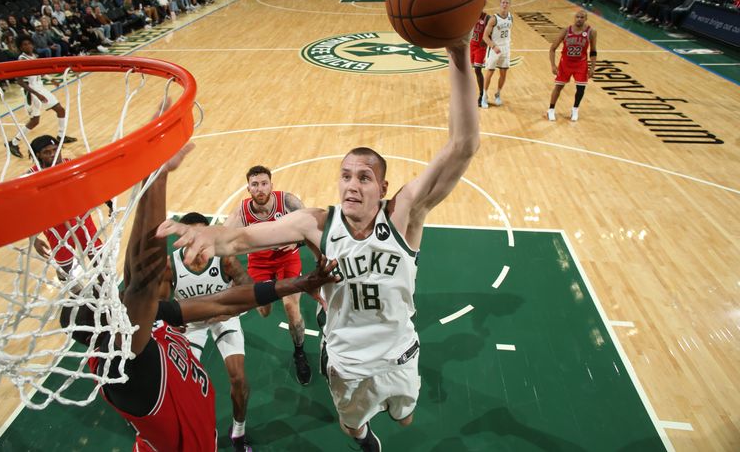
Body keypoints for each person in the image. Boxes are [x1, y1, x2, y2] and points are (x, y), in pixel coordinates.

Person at [158, 32, 480, 452]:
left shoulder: (404, 215)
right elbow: (242, 237)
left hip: (400, 354)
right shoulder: (316, 223)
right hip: (346, 361)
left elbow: (463, 144)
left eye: (364, 177)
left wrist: (459, 52)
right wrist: (208, 236)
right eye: (345, 175)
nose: (352, 184)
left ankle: (390, 411)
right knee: (352, 428)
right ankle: (365, 438)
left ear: (382, 187)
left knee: (406, 417)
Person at [62, 142, 339, 452]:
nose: (111, 292)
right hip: (186, 436)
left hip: (207, 362)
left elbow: (223, 303)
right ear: (105, 321)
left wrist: (298, 284)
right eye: (103, 297)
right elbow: (141, 280)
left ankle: (239, 432)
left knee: (238, 378)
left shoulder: (145, 321)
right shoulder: (123, 357)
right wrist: (155, 174)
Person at [169, 212, 254, 452]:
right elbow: (158, 304)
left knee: (238, 378)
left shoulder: (223, 259)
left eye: (202, 233)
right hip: (191, 324)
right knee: (180, 388)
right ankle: (193, 431)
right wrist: (171, 322)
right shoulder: (171, 265)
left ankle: (238, 432)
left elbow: (250, 292)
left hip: (222, 317)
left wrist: (231, 313)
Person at [224, 167, 312, 386]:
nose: (260, 189)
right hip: (259, 263)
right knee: (264, 311)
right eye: (255, 185)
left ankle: (299, 353)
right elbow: (223, 238)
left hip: (287, 259)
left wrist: (297, 242)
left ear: (271, 185)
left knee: (291, 308)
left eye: (264, 183)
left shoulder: (288, 202)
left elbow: (312, 226)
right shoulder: (242, 211)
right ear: (248, 188)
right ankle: (266, 294)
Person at [26, 135, 108, 276]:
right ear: (38, 154)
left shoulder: (71, 164)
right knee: (65, 269)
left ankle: (105, 290)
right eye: (47, 152)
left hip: (82, 219)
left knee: (98, 259)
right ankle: (74, 295)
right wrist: (33, 239)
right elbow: (27, 211)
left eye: (55, 149)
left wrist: (108, 201)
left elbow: (89, 186)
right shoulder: (31, 177)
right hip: (56, 227)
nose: (53, 154)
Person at [5, 36, 76, 158]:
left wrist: (51, 79)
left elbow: (39, 72)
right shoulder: (21, 60)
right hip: (31, 92)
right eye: (24, 44)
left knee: (59, 110)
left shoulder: (33, 56)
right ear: (20, 47)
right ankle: (14, 142)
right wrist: (37, 94)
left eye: (29, 44)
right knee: (35, 121)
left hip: (40, 88)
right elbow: (20, 81)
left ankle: (61, 136)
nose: (28, 46)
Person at [546, 10, 597, 122]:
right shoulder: (566, 31)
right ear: (574, 18)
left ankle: (575, 109)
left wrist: (592, 67)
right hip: (565, 63)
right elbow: (552, 49)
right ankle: (551, 109)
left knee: (581, 88)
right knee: (558, 87)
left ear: (586, 19)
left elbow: (593, 51)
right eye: (577, 17)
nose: (579, 19)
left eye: (582, 17)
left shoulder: (591, 32)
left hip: (581, 64)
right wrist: (553, 65)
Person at [480, 0, 512, 108]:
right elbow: (485, 36)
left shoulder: (510, 17)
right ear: (500, 4)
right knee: (490, 73)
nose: (505, 4)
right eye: (503, 2)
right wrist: (493, 46)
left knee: (504, 73)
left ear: (509, 5)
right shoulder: (494, 19)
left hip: (506, 48)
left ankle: (498, 94)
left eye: (507, 3)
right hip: (494, 49)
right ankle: (484, 95)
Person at [469, 10, 489, 106]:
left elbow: (493, 31)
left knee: (477, 70)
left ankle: (482, 94)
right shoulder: (471, 15)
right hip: (471, 45)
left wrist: (488, 40)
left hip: (480, 47)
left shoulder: (487, 17)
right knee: (467, 70)